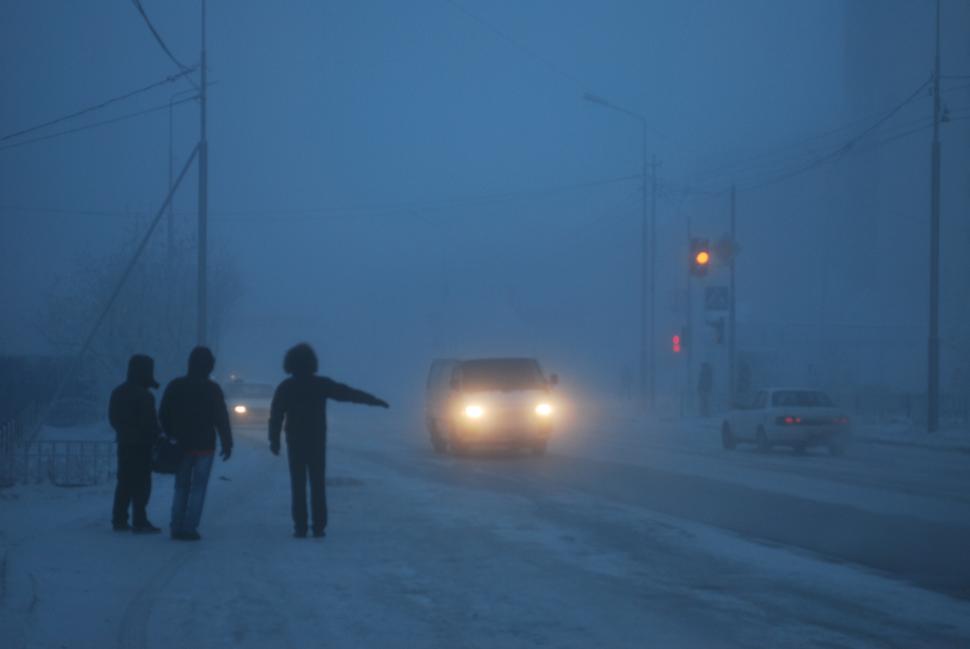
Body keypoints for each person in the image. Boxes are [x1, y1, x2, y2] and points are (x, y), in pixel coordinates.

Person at [269, 343, 389, 538]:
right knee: (317, 484)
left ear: (290, 363)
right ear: (312, 363)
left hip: (295, 441)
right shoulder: (321, 384)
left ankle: (300, 527)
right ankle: (319, 526)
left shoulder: (286, 387)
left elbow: (276, 416)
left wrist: (274, 440)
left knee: (297, 485)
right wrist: (374, 400)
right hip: (316, 440)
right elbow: (349, 394)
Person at [159, 346, 233, 541]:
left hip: (181, 445)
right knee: (199, 488)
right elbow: (221, 418)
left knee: (181, 486)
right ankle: (190, 527)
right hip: (205, 446)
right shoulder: (212, 389)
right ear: (209, 367)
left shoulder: (176, 386)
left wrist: (170, 434)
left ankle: (176, 526)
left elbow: (163, 413)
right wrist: (227, 442)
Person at [108, 354, 162, 533]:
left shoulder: (118, 392)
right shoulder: (145, 396)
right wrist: (156, 437)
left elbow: (113, 419)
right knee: (142, 483)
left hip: (124, 443)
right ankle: (140, 520)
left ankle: (119, 519)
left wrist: (124, 432)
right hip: (142, 445)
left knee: (124, 481)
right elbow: (150, 423)